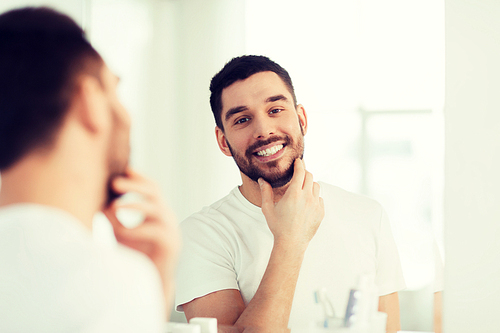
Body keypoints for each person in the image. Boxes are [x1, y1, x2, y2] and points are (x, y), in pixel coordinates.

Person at [175, 55, 406, 332]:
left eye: (275, 110)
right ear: (224, 141)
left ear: (301, 119)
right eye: (243, 119)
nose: (264, 130)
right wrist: (290, 241)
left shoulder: (369, 215)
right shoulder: (200, 235)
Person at [0, 7, 180, 333]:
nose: (124, 113)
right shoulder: (111, 285)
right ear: (91, 100)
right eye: (114, 88)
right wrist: (147, 287)